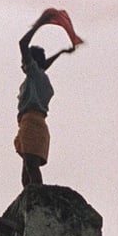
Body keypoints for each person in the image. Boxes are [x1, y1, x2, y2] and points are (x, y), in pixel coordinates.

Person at [15, 10, 77, 187]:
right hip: (36, 124)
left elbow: (22, 43)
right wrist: (61, 53)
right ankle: (31, 199)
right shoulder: (41, 78)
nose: (22, 64)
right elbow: (44, 65)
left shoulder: (34, 74)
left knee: (31, 168)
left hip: (31, 123)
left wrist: (40, 23)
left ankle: (39, 199)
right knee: (27, 171)